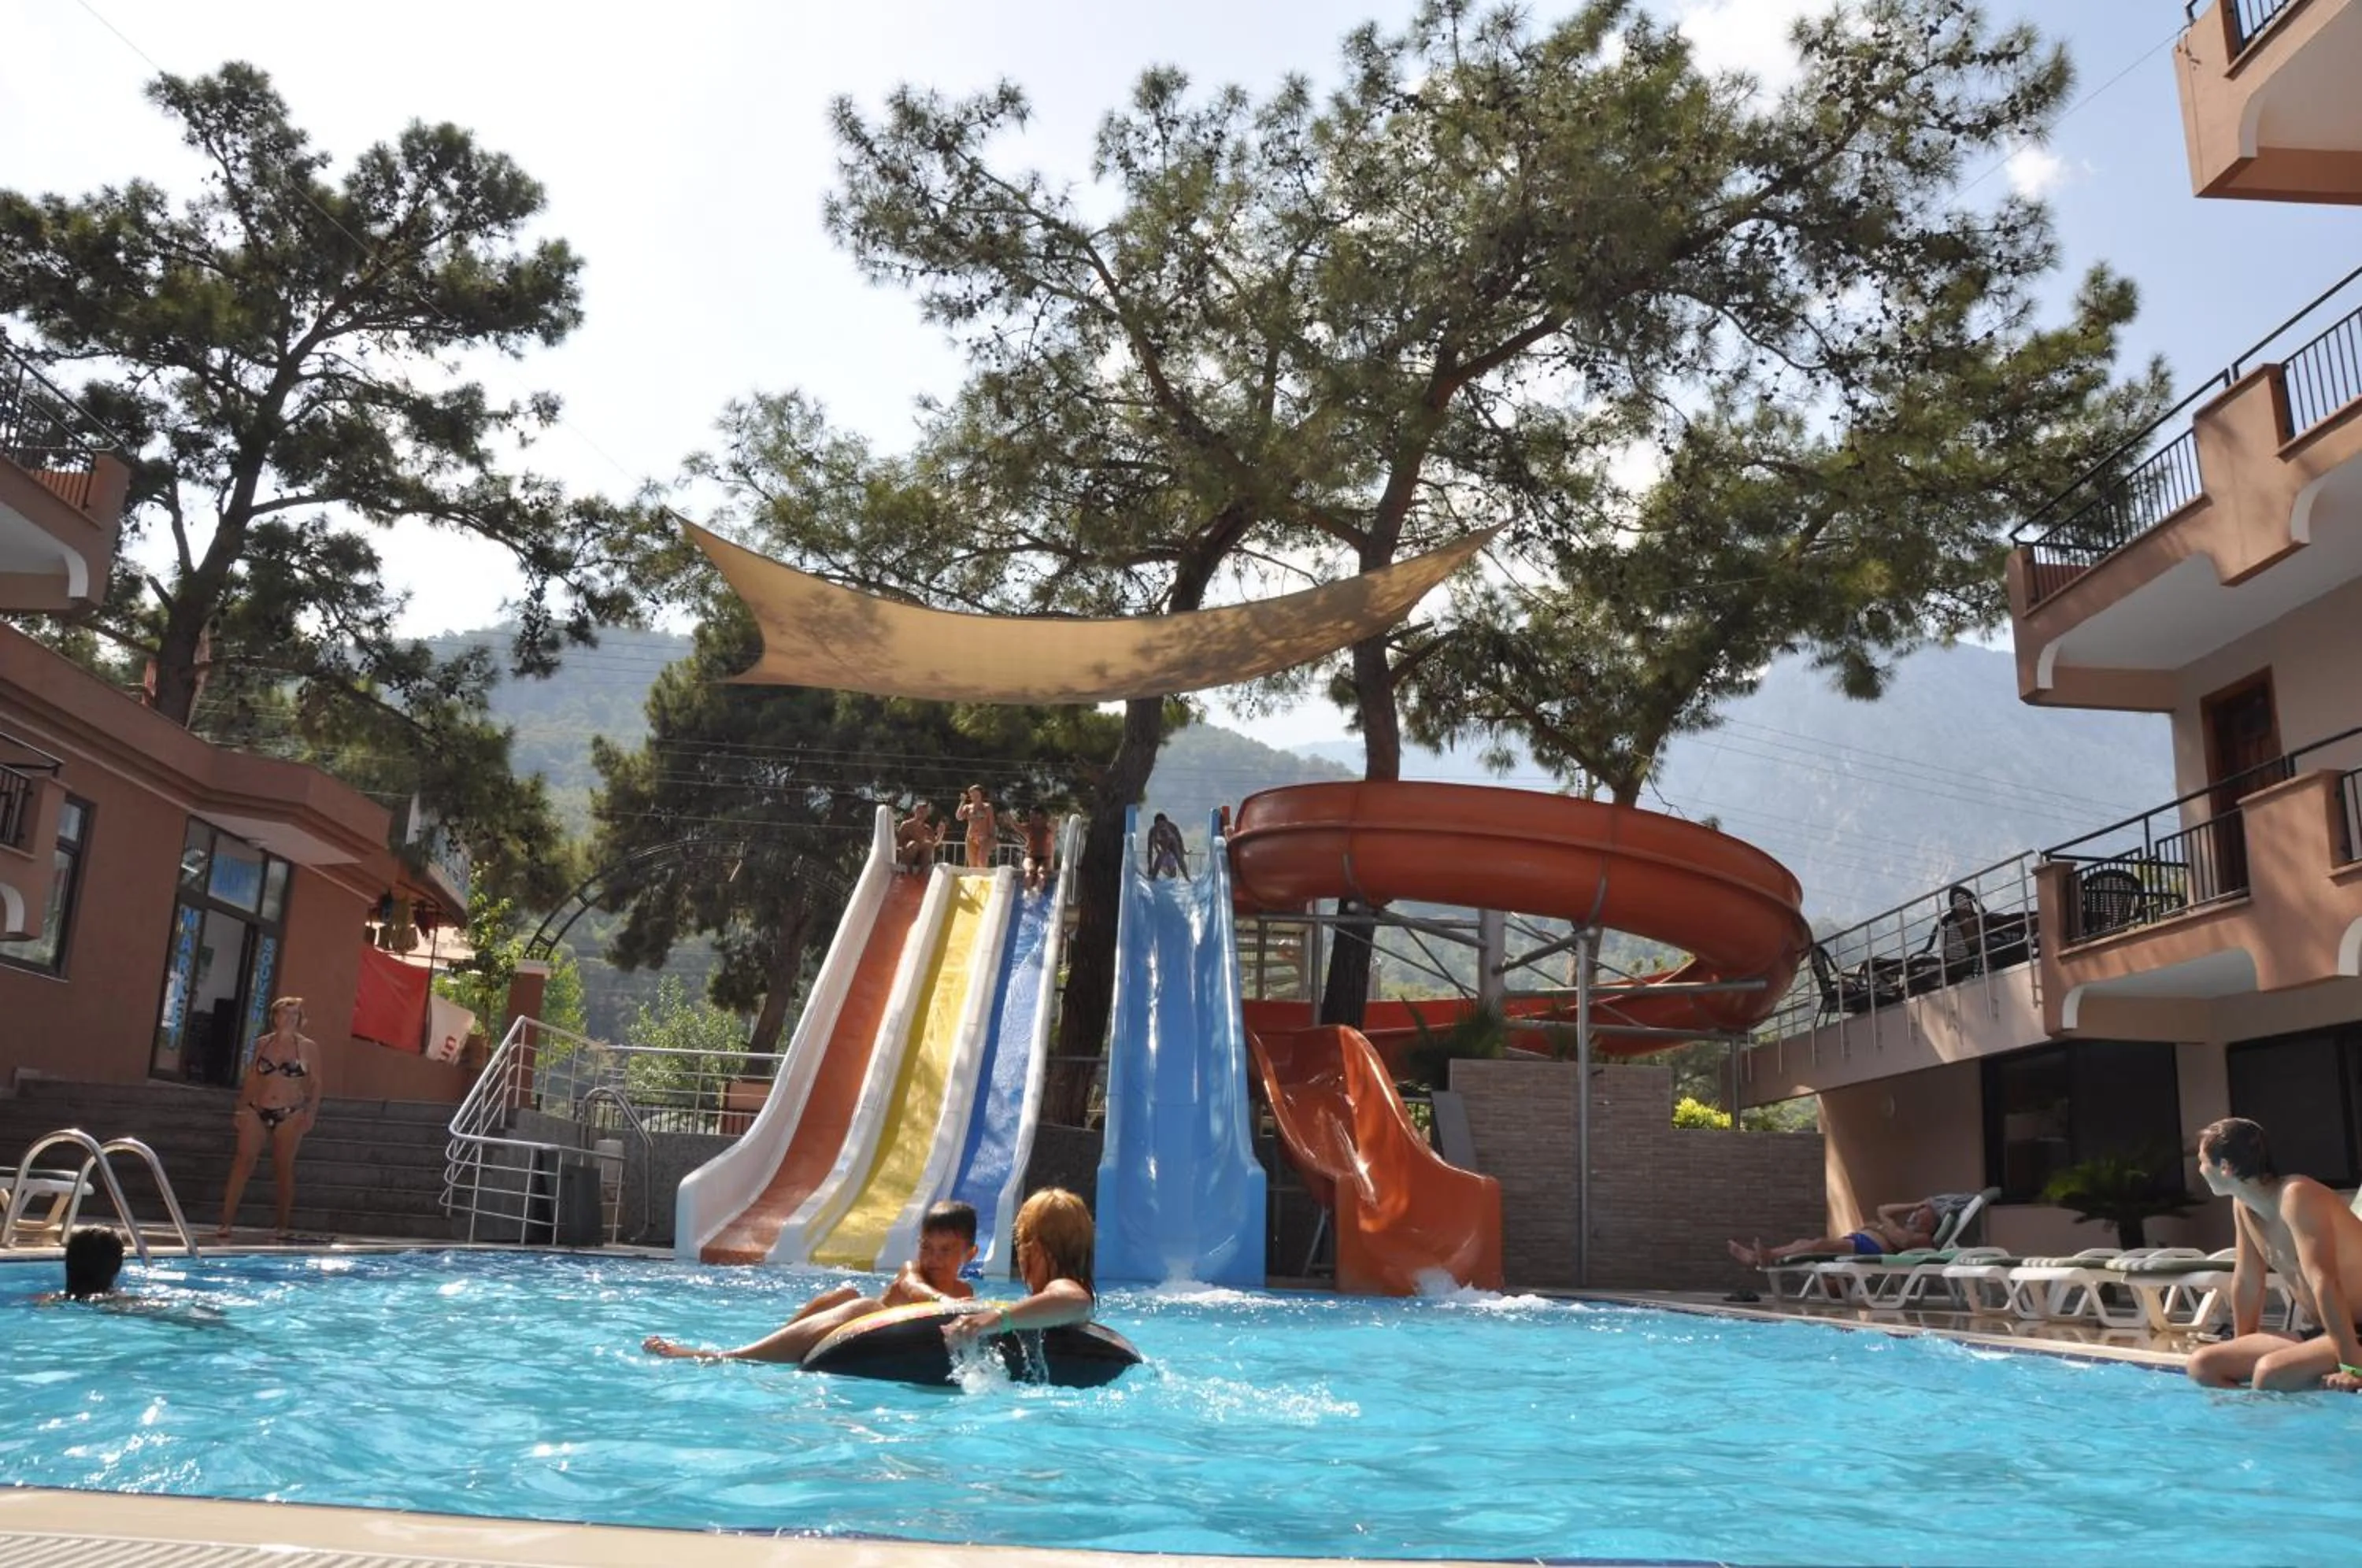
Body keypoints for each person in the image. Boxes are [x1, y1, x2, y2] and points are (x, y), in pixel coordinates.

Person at [642, 1200, 981, 1363]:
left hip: (882, 1349)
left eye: (946, 1250)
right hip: (847, 1331)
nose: (933, 1258)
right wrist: (941, 1303)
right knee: (855, 1299)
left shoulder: (966, 1294)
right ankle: (729, 1354)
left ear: (969, 1254)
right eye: (927, 1247)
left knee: (857, 1300)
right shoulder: (914, 1272)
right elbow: (914, 1290)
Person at [2185, 1117, 2362, 1393]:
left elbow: (2324, 1281)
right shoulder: (2244, 1206)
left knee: (2270, 1374)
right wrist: (2241, 1348)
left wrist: (2354, 1369)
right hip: (2332, 1331)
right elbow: (2248, 1282)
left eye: (2202, 1161)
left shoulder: (2297, 1195)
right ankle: (2253, 1431)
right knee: (2204, 1365)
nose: (2200, 1169)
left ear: (2225, 1167)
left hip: (2353, 1334)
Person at [216, 997, 321, 1241]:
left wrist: (311, 1111)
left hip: (289, 1111)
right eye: (285, 1014)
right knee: (243, 1160)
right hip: (257, 1107)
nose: (290, 1019)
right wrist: (241, 1108)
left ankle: (282, 1225)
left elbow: (316, 1083)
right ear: (275, 1017)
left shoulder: (307, 1047)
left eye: (295, 1015)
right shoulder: (263, 1044)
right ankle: (226, 1222)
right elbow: (253, 1078)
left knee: (283, 1166)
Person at [942, 1186, 1096, 1352]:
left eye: (1020, 1244)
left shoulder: (1063, 1284)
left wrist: (998, 1319)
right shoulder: (1076, 1286)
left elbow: (1078, 1302)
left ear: (1034, 1247)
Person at [1727, 1198, 1939, 1267]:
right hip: (1859, 1241)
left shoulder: (1924, 1238)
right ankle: (1761, 1256)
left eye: (1922, 1215)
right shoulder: (1906, 1227)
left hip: (1869, 1248)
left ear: (1930, 1223)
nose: (1916, 1216)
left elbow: (1900, 1241)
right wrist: (1915, 1204)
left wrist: (1878, 1227)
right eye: (1917, 1213)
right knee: (1805, 1242)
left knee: (1818, 1245)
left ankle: (1767, 1257)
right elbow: (1883, 1210)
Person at [895, 801, 945, 873]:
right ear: (915, 811)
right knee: (913, 844)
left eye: (925, 812)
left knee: (928, 844)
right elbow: (899, 843)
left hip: (920, 858)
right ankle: (909, 873)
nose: (922, 814)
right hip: (907, 856)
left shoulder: (927, 828)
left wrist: (940, 833)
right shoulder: (906, 825)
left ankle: (921, 874)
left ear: (927, 814)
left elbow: (934, 844)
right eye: (920, 811)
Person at [956, 786, 998, 869]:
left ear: (981, 795)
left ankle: (983, 879)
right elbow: (959, 817)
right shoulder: (968, 807)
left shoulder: (987, 807)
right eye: (972, 795)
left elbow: (992, 824)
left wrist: (993, 838)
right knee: (972, 865)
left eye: (976, 794)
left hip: (984, 839)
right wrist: (962, 802)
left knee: (981, 862)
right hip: (970, 838)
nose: (974, 797)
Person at [1021, 805, 1055, 895]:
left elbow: (1054, 826)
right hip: (1031, 857)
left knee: (1041, 873)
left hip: (1045, 858)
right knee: (1029, 872)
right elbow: (1018, 827)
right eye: (1031, 816)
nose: (1031, 819)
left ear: (1041, 817)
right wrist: (1010, 821)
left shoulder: (1048, 829)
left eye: (1034, 816)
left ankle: (1037, 895)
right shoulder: (1029, 827)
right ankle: (1027, 895)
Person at [1145, 812, 1187, 879]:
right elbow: (1150, 850)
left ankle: (1186, 877)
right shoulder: (1153, 831)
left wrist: (1182, 856)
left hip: (1173, 847)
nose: (1161, 827)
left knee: (1178, 860)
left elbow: (1180, 842)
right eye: (1159, 826)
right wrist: (1150, 866)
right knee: (1161, 857)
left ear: (1166, 823)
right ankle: (1154, 877)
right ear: (1156, 825)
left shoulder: (1172, 828)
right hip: (1163, 849)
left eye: (1163, 825)